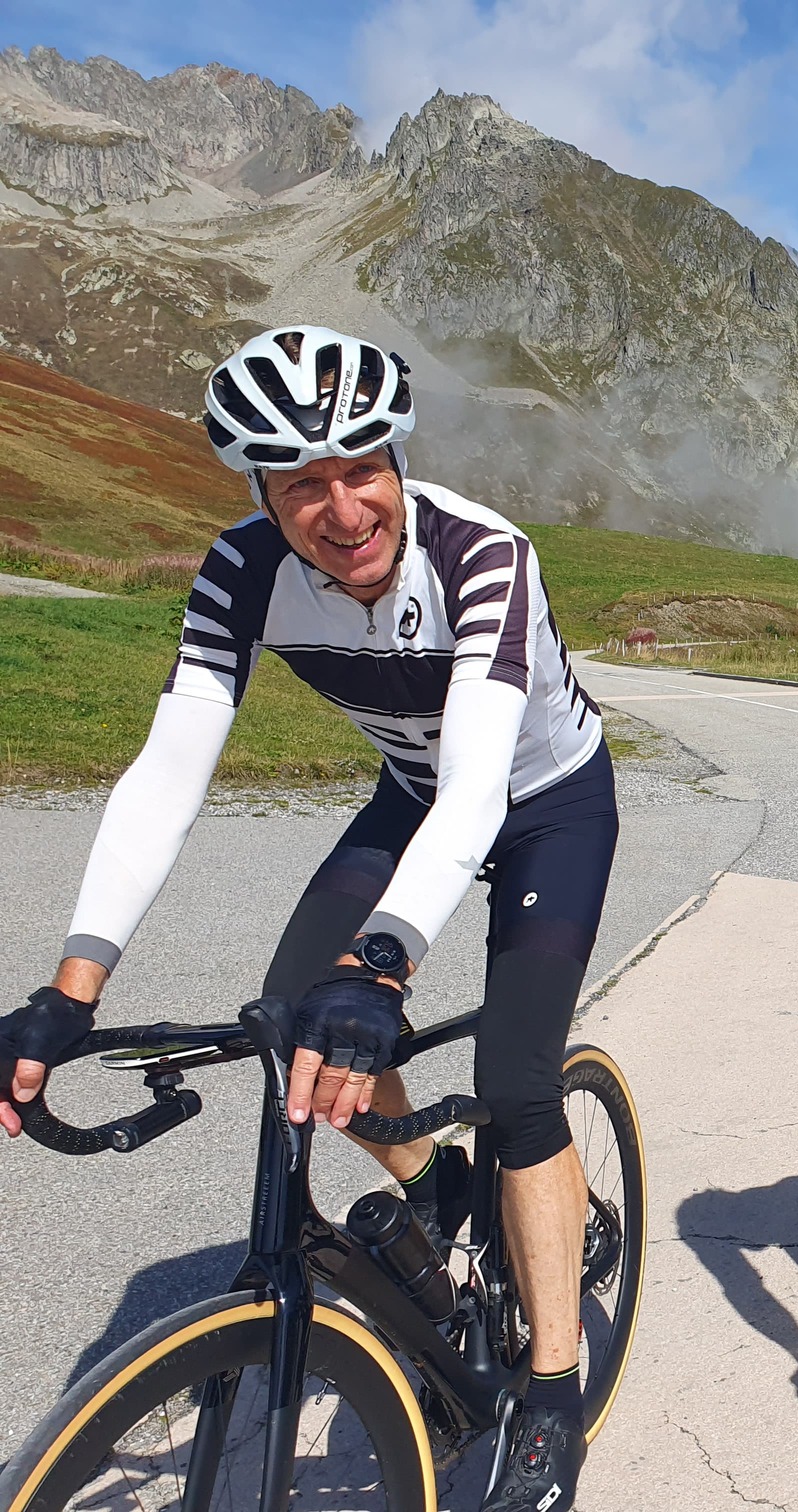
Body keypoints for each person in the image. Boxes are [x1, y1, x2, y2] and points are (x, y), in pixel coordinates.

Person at [0, 326, 609, 1512]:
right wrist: (72, 987)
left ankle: (550, 1385)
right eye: (302, 486)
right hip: (412, 793)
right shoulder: (239, 571)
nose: (342, 510)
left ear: (397, 461)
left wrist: (382, 962)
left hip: (546, 805)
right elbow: (166, 775)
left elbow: (481, 787)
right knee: (294, 1020)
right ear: (261, 496)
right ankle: (440, 1185)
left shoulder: (483, 554)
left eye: (361, 470)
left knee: (516, 1079)